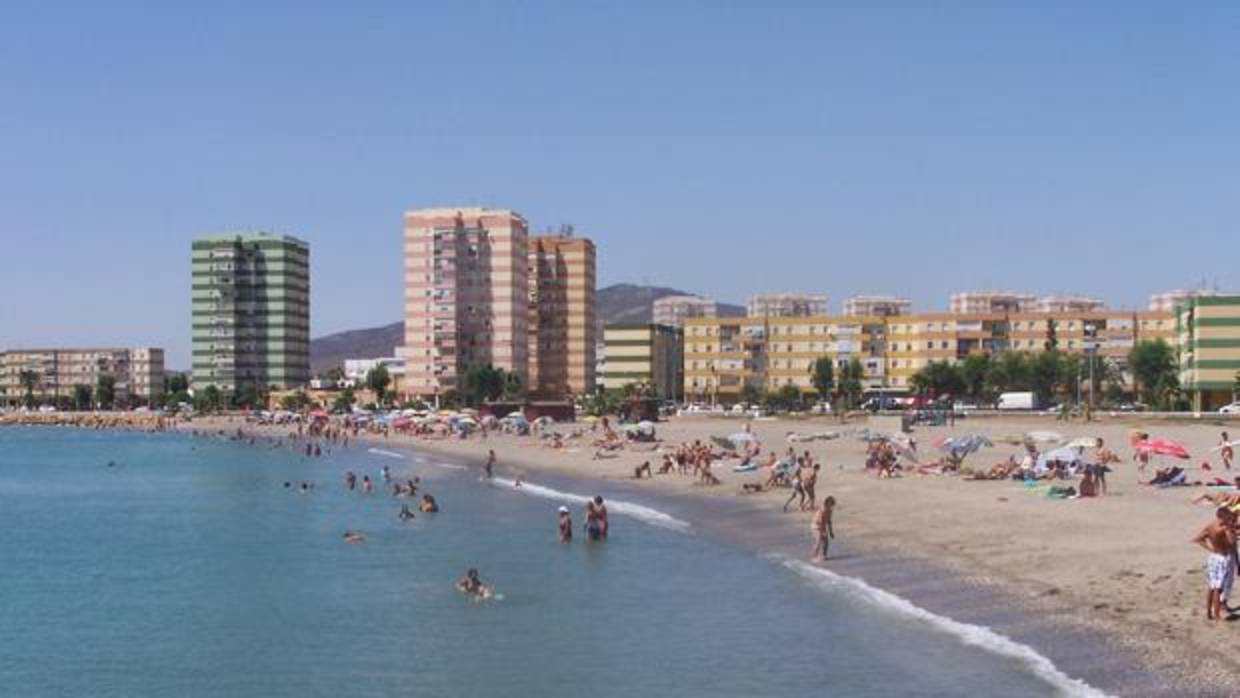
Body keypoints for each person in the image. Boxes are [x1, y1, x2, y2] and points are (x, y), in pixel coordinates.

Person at [1191, 507, 1238, 621]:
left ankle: (1209, 612)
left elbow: (1198, 539)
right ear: (1223, 517)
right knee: (1218, 588)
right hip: (1222, 558)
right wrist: (1232, 532)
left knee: (1212, 586)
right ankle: (1217, 615)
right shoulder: (1224, 529)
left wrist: (1210, 549)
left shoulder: (1210, 526)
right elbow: (1232, 542)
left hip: (1213, 557)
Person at [810, 496, 836, 561]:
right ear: (827, 503)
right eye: (831, 504)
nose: (832, 506)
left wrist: (831, 532)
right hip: (816, 526)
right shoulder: (822, 510)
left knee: (826, 541)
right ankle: (813, 556)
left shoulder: (830, 511)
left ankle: (824, 555)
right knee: (819, 540)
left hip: (822, 526)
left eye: (833, 504)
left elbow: (829, 521)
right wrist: (822, 532)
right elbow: (820, 521)